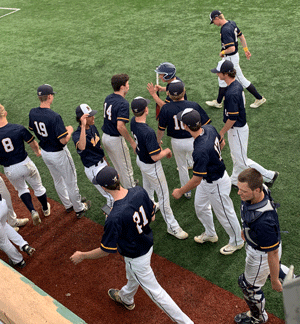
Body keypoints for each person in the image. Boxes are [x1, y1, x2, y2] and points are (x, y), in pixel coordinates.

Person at [70, 166, 193, 324]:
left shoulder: (114, 217)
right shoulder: (138, 191)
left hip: (136, 257)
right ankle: (126, 297)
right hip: (147, 244)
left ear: (103, 188)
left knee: (157, 294)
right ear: (119, 177)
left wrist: (82, 255)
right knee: (132, 274)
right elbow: (152, 218)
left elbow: (105, 250)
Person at [172, 108, 244, 255]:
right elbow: (221, 143)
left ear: (186, 126)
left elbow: (196, 179)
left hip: (216, 183)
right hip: (209, 180)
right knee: (200, 206)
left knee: (225, 213)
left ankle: (237, 241)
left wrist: (180, 191)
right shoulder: (208, 128)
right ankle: (210, 234)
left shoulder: (200, 149)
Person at [210, 60, 278, 187]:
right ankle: (235, 180)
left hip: (236, 129)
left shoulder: (231, 92)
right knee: (237, 157)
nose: (217, 74)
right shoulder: (235, 85)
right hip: (236, 129)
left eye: (219, 72)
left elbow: (232, 118)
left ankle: (269, 176)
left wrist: (222, 132)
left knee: (242, 162)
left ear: (225, 74)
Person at [235, 168, 290, 324]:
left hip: (261, 255)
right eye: (239, 188)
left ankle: (258, 318)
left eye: (243, 191)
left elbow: (271, 254)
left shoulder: (264, 222)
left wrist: (274, 281)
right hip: (265, 245)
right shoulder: (261, 190)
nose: (239, 193)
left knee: (248, 287)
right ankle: (294, 282)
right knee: (275, 268)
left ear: (257, 189)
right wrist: (246, 228)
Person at [130, 97, 188, 240]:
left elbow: (147, 145)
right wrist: (167, 150)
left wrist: (155, 146)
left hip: (141, 161)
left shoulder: (133, 122)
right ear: (146, 110)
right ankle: (172, 227)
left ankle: (149, 208)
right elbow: (156, 156)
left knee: (148, 188)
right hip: (151, 166)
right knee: (163, 195)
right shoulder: (148, 131)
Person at [29, 84, 91, 218]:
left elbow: (32, 129)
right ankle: (79, 208)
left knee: (57, 180)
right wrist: (69, 131)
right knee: (71, 181)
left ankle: (68, 204)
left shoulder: (32, 112)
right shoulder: (54, 116)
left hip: (45, 152)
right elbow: (63, 140)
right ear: (50, 96)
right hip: (59, 153)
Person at [157, 80, 211, 199]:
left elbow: (161, 129)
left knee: (182, 167)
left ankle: (186, 192)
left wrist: (157, 141)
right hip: (194, 140)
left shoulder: (166, 108)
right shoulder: (193, 105)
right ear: (184, 92)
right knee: (201, 165)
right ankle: (206, 190)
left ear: (169, 94)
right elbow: (207, 124)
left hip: (177, 142)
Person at [0, 104, 50, 225]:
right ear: (5, 113)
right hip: (25, 164)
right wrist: (37, 151)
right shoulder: (17, 128)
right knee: (38, 187)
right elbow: (32, 142)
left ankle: (32, 211)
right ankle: (45, 208)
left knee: (22, 189)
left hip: (10, 169)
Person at [206, 10, 266, 109]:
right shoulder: (231, 23)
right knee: (221, 79)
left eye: (213, 21)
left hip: (231, 58)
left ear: (217, 18)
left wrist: (222, 52)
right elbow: (241, 36)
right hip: (230, 57)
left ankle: (259, 98)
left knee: (241, 80)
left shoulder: (225, 30)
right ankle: (218, 101)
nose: (214, 24)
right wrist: (246, 49)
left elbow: (231, 48)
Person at [72, 104, 114, 208]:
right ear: (83, 119)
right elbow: (82, 146)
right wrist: (82, 126)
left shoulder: (93, 127)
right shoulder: (77, 135)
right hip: (93, 169)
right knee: (110, 196)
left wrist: (105, 160)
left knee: (113, 193)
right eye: (90, 116)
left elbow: (98, 146)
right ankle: (109, 219)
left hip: (102, 164)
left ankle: (112, 217)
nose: (93, 117)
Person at [101, 74, 136, 189]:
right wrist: (131, 141)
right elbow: (120, 127)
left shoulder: (108, 98)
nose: (129, 86)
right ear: (122, 87)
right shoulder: (123, 103)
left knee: (117, 167)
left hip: (105, 138)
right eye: (127, 84)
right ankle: (132, 194)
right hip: (116, 140)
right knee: (126, 169)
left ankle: (123, 188)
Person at [0, 194, 35, 269]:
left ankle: (18, 260)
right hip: (2, 204)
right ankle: (24, 245)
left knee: (3, 242)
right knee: (4, 225)